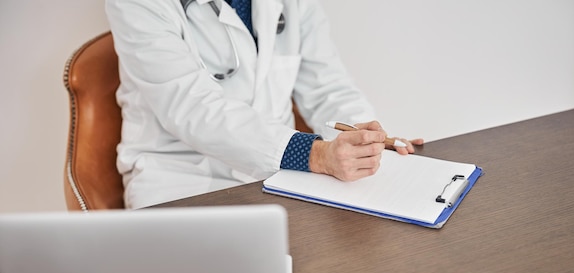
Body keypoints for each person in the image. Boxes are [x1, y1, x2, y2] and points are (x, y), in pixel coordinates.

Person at [105, 0, 423, 209]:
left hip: (280, 178)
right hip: (182, 181)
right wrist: (314, 154)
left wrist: (368, 141)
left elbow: (328, 86)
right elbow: (193, 109)